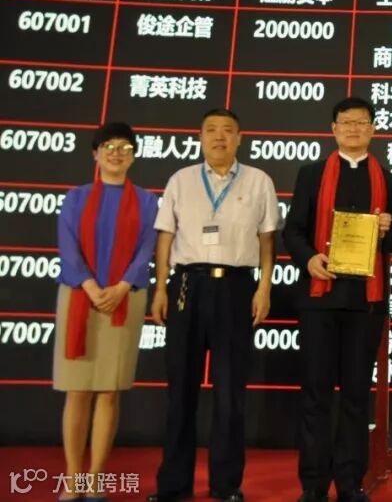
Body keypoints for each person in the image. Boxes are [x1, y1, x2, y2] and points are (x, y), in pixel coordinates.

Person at [147, 108, 280, 502]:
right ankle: (174, 485)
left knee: (230, 392)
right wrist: (160, 288)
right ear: (200, 137)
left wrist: (264, 288)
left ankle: (226, 485)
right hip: (186, 286)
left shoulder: (259, 180)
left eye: (227, 131)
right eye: (211, 130)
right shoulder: (181, 179)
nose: (219, 137)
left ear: (240, 138)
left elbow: (268, 240)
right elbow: (165, 236)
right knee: (180, 390)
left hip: (237, 287)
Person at [283, 97, 392, 502]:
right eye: (346, 122)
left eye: (361, 122)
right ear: (334, 129)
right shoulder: (311, 174)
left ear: (373, 129)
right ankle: (314, 485)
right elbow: (293, 231)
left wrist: (387, 228)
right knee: (316, 394)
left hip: (364, 303)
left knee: (356, 396)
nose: (354, 129)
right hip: (319, 297)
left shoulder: (388, 180)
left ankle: (350, 483)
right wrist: (309, 259)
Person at [53, 122, 159, 502]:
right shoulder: (76, 197)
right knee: (78, 391)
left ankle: (96, 477)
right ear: (96, 154)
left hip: (123, 299)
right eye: (109, 146)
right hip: (79, 296)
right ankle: (73, 477)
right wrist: (90, 285)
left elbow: (146, 249)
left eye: (125, 147)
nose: (117, 153)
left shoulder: (147, 202)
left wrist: (120, 286)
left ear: (133, 156)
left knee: (109, 392)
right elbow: (68, 247)